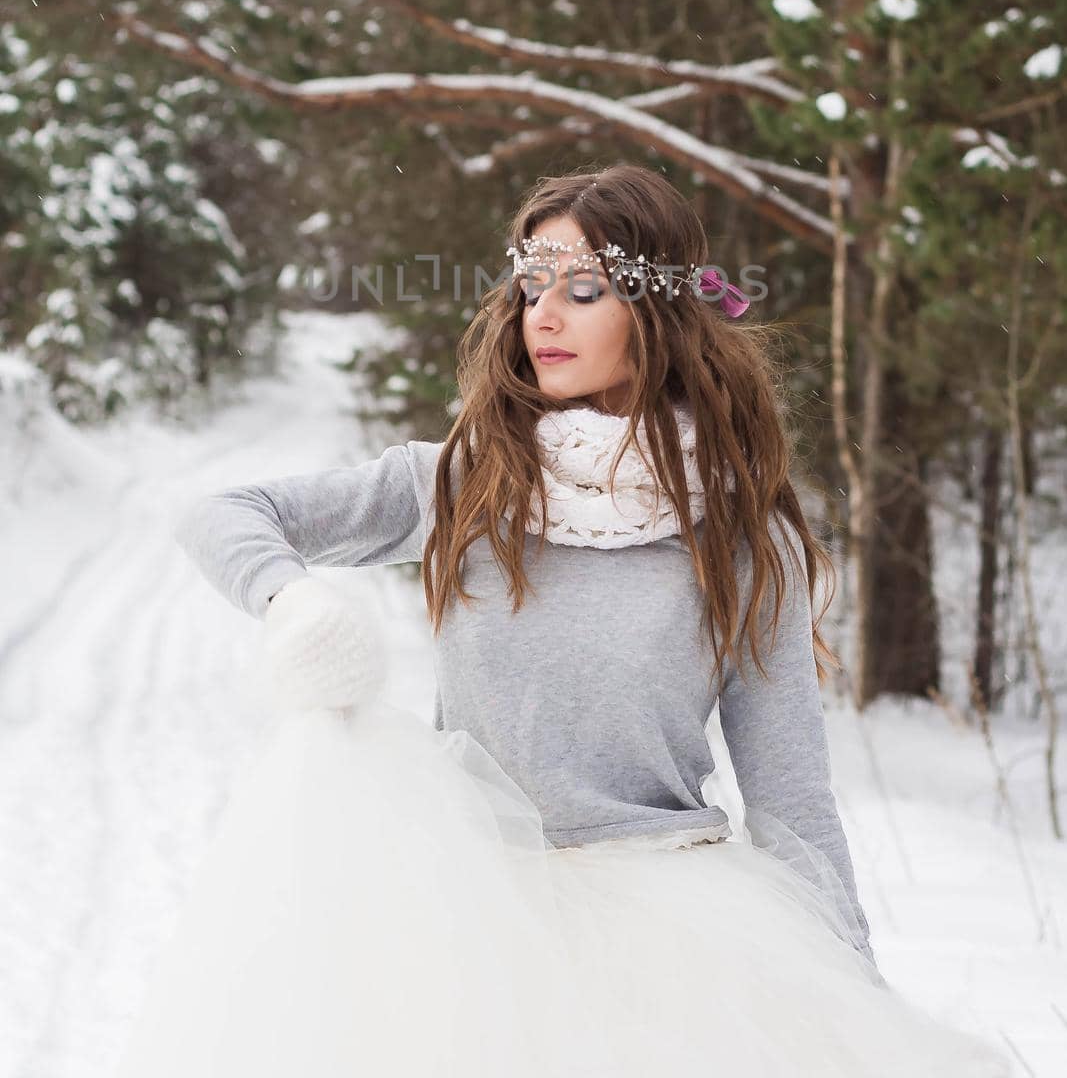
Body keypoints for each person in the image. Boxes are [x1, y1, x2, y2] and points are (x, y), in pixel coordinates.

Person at [114, 164, 1010, 1077]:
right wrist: (293, 602)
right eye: (532, 286)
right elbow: (223, 512)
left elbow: (791, 800)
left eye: (583, 290)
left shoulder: (742, 535)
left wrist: (851, 997)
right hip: (471, 923)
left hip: (672, 937)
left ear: (655, 314)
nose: (543, 315)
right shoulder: (467, 478)